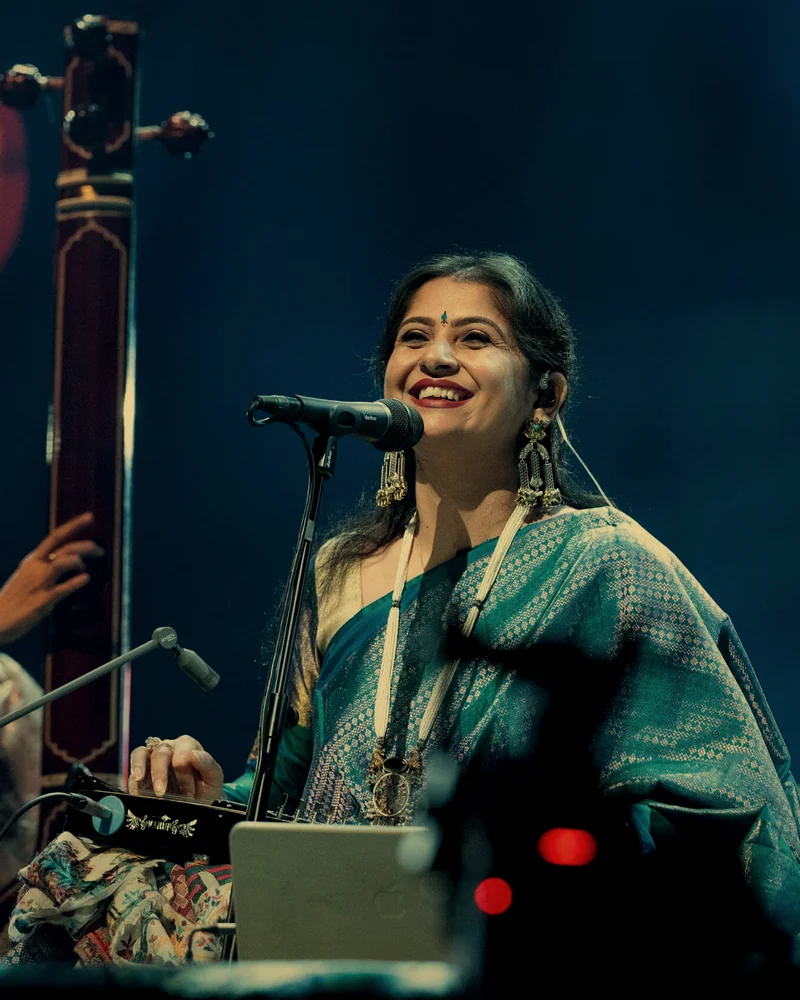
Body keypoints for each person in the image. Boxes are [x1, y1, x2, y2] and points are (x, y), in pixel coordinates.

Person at [7, 254, 800, 970]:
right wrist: (205, 788)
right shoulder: (341, 569)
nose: (437, 356)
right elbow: (279, 793)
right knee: (71, 875)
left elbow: (726, 802)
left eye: (477, 337)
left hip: (508, 921)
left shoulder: (607, 564)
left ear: (546, 395)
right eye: (414, 336)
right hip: (321, 916)